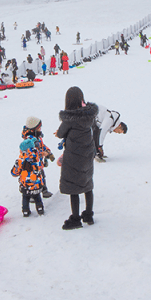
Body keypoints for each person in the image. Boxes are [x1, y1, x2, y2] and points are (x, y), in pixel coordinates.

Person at [55, 86, 96, 230]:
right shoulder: (90, 115)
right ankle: (89, 214)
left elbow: (60, 133)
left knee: (73, 188)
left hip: (73, 158)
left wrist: (59, 134)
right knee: (87, 185)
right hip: (87, 155)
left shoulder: (70, 118)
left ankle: (76, 218)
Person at [11, 137, 46, 217]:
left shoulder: (21, 159)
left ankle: (25, 210)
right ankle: (40, 208)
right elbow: (41, 166)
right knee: (37, 196)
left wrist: (14, 172)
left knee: (25, 197)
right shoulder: (37, 156)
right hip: (36, 182)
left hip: (25, 183)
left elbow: (15, 172)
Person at [22, 116, 55, 198]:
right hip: (31, 164)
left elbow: (42, 145)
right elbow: (31, 152)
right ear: (34, 128)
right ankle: (33, 195)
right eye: (39, 127)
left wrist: (48, 152)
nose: (41, 129)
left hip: (39, 163)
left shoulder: (37, 136)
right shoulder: (29, 139)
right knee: (33, 178)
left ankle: (44, 190)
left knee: (42, 176)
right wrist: (42, 153)